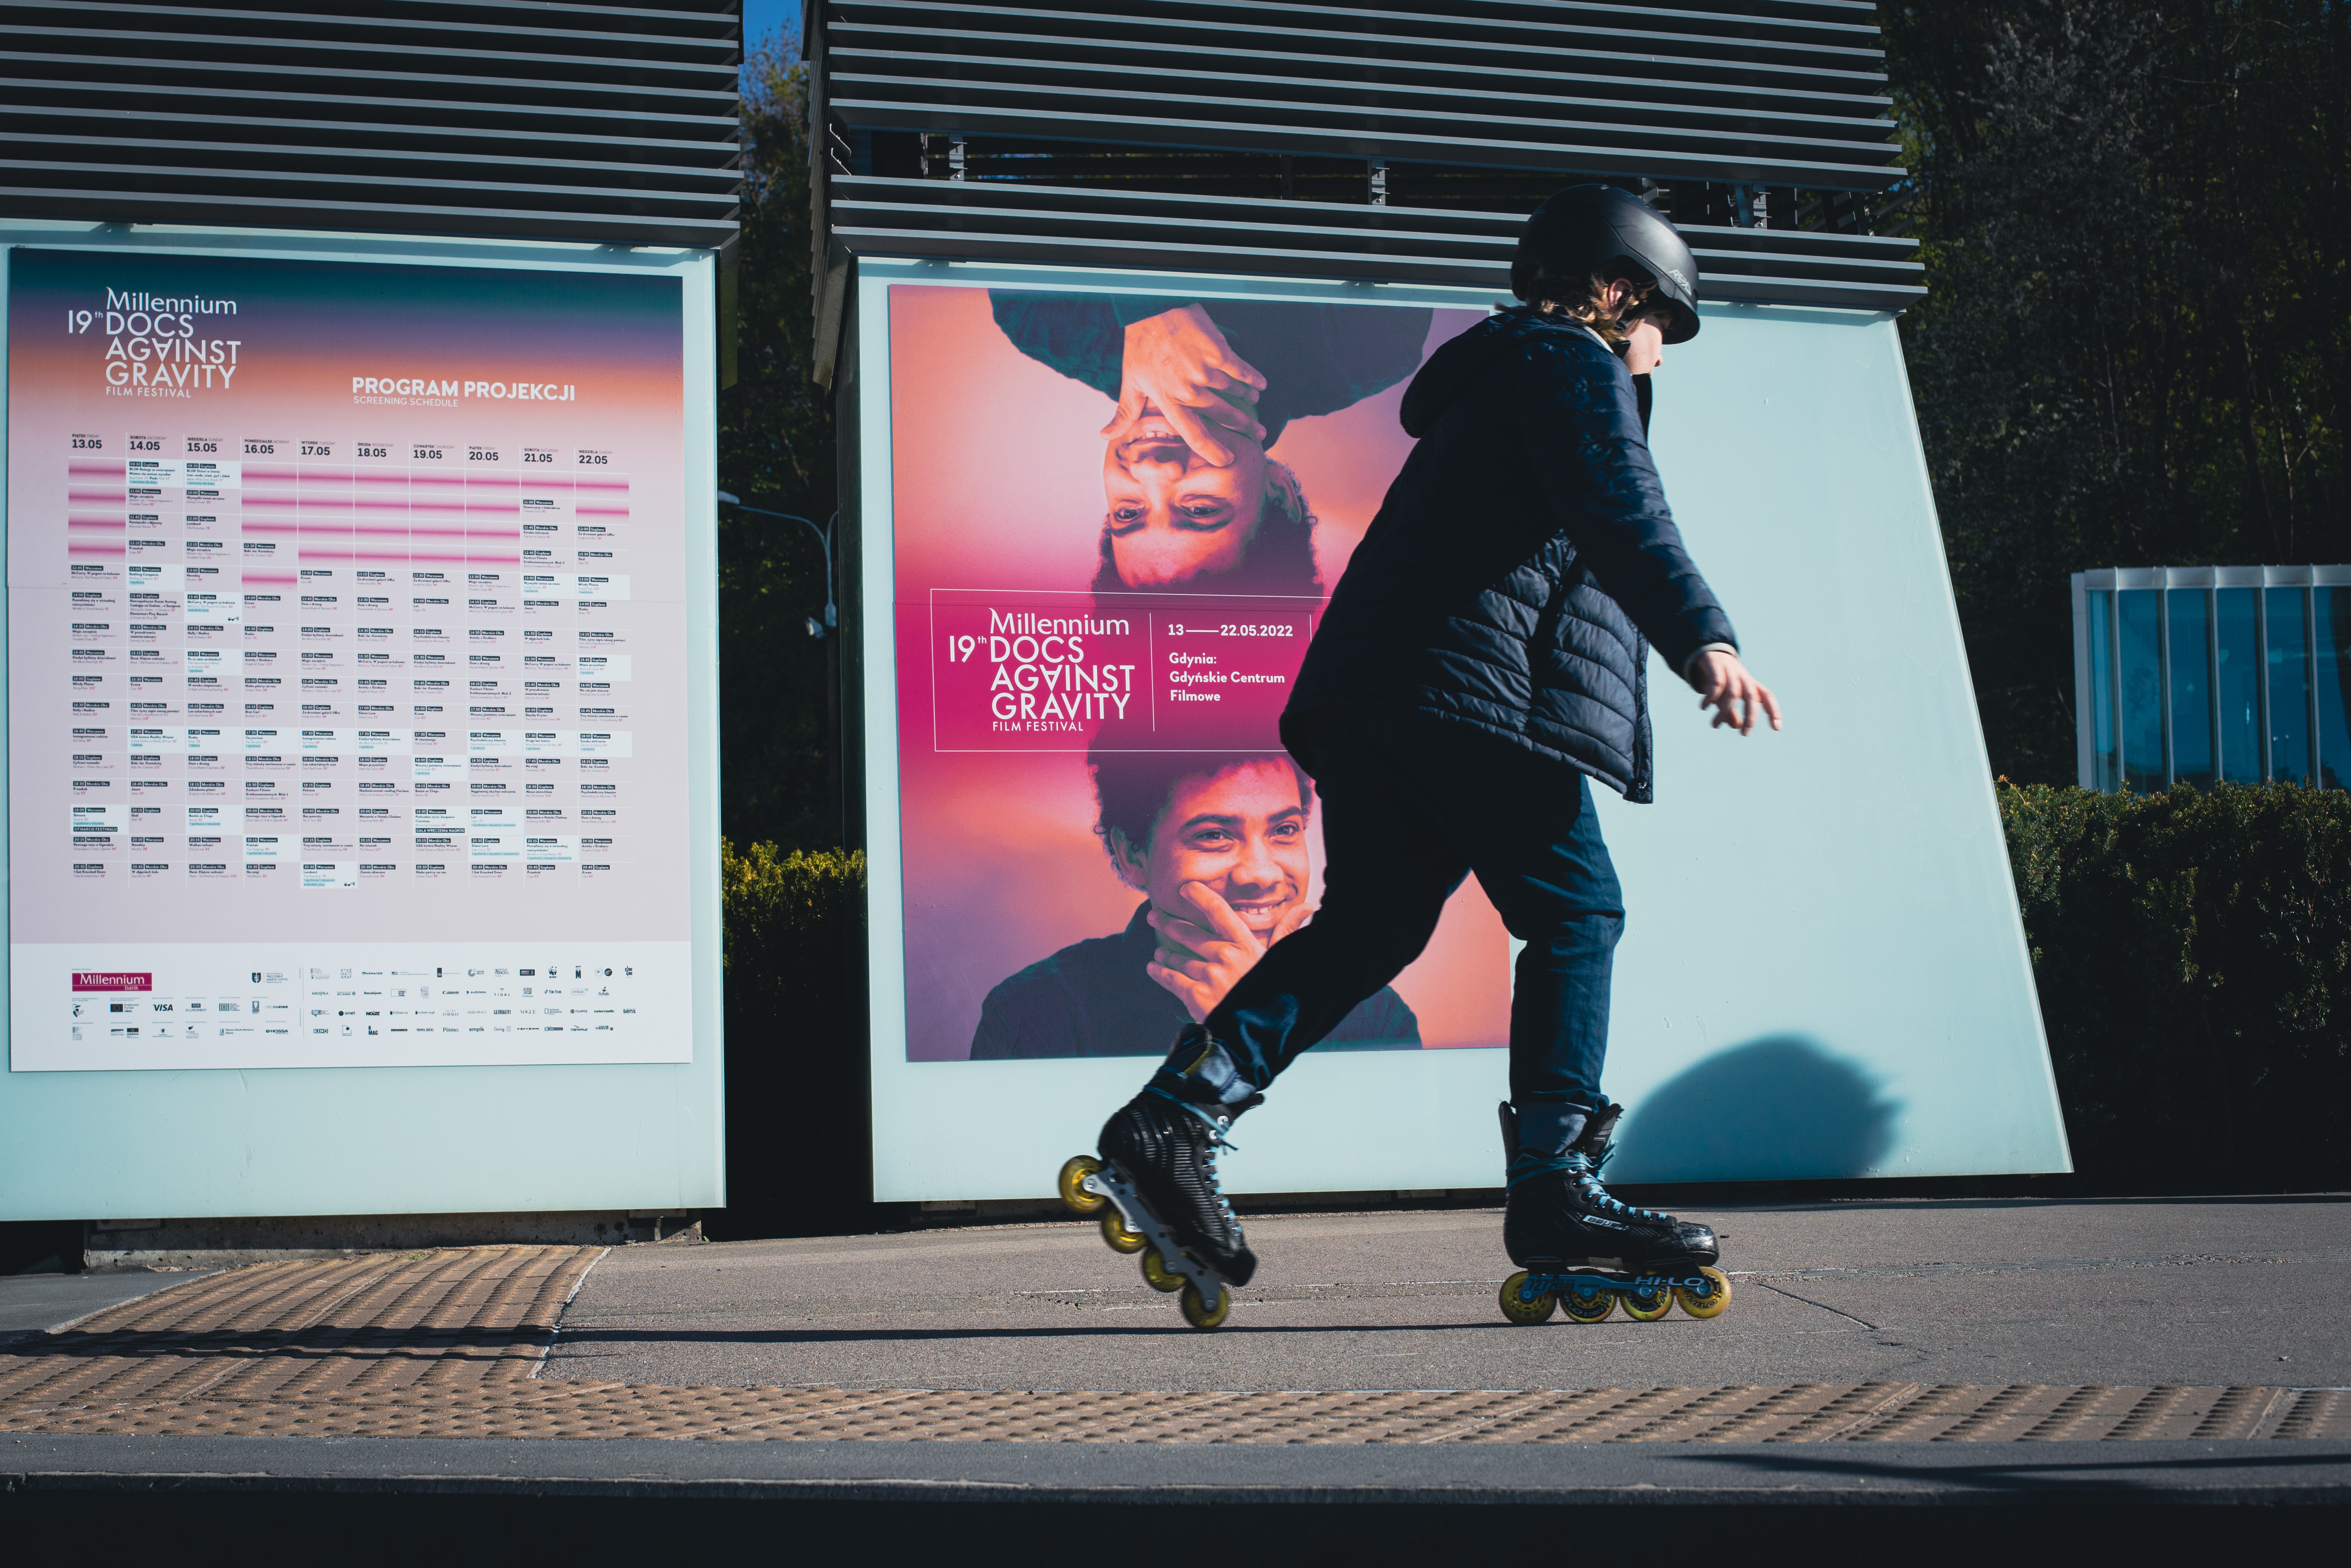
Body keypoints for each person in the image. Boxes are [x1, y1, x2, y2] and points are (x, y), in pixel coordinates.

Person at [1078, 186, 1784, 1308]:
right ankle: (1555, 1182)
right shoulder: (1571, 361)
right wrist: (1703, 635)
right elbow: (1621, 504)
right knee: (1575, 912)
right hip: (1468, 695)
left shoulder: (1501, 377)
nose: (1662, 353)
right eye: (1662, 323)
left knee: (1371, 925)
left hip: (1383, 694)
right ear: (1614, 291)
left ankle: (1176, 1116)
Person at [970, 742, 1419, 1059]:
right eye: (1214, 836)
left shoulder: (1373, 1014)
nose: (1261, 875)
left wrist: (1259, 1030)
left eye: (1284, 830)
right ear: (1133, 855)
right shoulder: (1035, 1013)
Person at [990, 294, 1430, 595]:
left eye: (1129, 512)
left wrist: (1147, 302)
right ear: (1280, 491)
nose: (1153, 469)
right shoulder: (1374, 345)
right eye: (1200, 510)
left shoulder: (1038, 322)